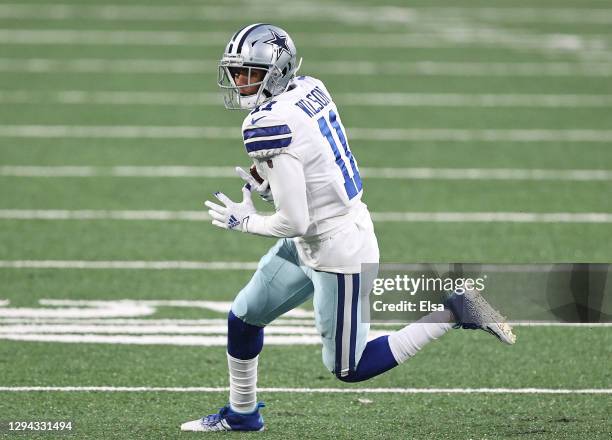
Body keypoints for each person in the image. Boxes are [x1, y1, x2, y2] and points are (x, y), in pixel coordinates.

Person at [181, 24, 515, 433]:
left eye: (250, 73)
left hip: (337, 248)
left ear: (276, 72)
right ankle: (242, 413)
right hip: (316, 236)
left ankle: (455, 310)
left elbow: (294, 220)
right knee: (244, 317)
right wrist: (272, 187)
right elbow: (316, 166)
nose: (240, 83)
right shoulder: (307, 87)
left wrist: (243, 220)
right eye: (236, 73)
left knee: (349, 367)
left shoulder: (264, 124)